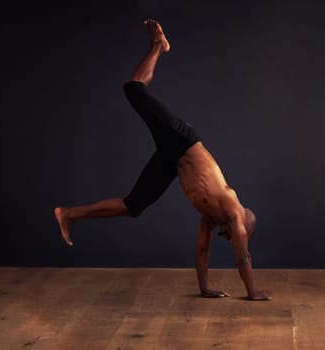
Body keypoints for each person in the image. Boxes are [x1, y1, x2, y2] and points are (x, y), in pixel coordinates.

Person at [54, 19, 270, 301]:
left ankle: (68, 214)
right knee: (133, 89)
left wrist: (205, 290)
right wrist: (252, 294)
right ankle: (159, 45)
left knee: (132, 207)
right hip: (183, 141)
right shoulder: (232, 208)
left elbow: (202, 252)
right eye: (235, 235)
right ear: (244, 225)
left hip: (173, 159)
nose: (229, 238)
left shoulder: (211, 218)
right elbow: (243, 257)